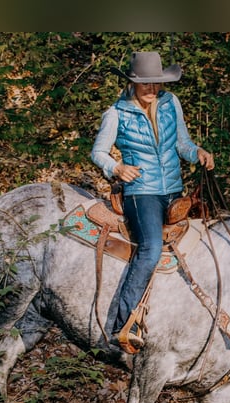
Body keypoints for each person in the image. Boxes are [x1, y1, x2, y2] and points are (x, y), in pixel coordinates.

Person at [91, 51, 215, 352]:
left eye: (156, 83)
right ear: (133, 83)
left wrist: (197, 152)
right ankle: (125, 323)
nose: (152, 90)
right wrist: (116, 168)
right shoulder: (117, 113)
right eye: (145, 84)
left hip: (173, 190)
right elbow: (98, 152)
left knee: (201, 239)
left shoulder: (171, 104)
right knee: (151, 249)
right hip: (140, 192)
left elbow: (182, 143)